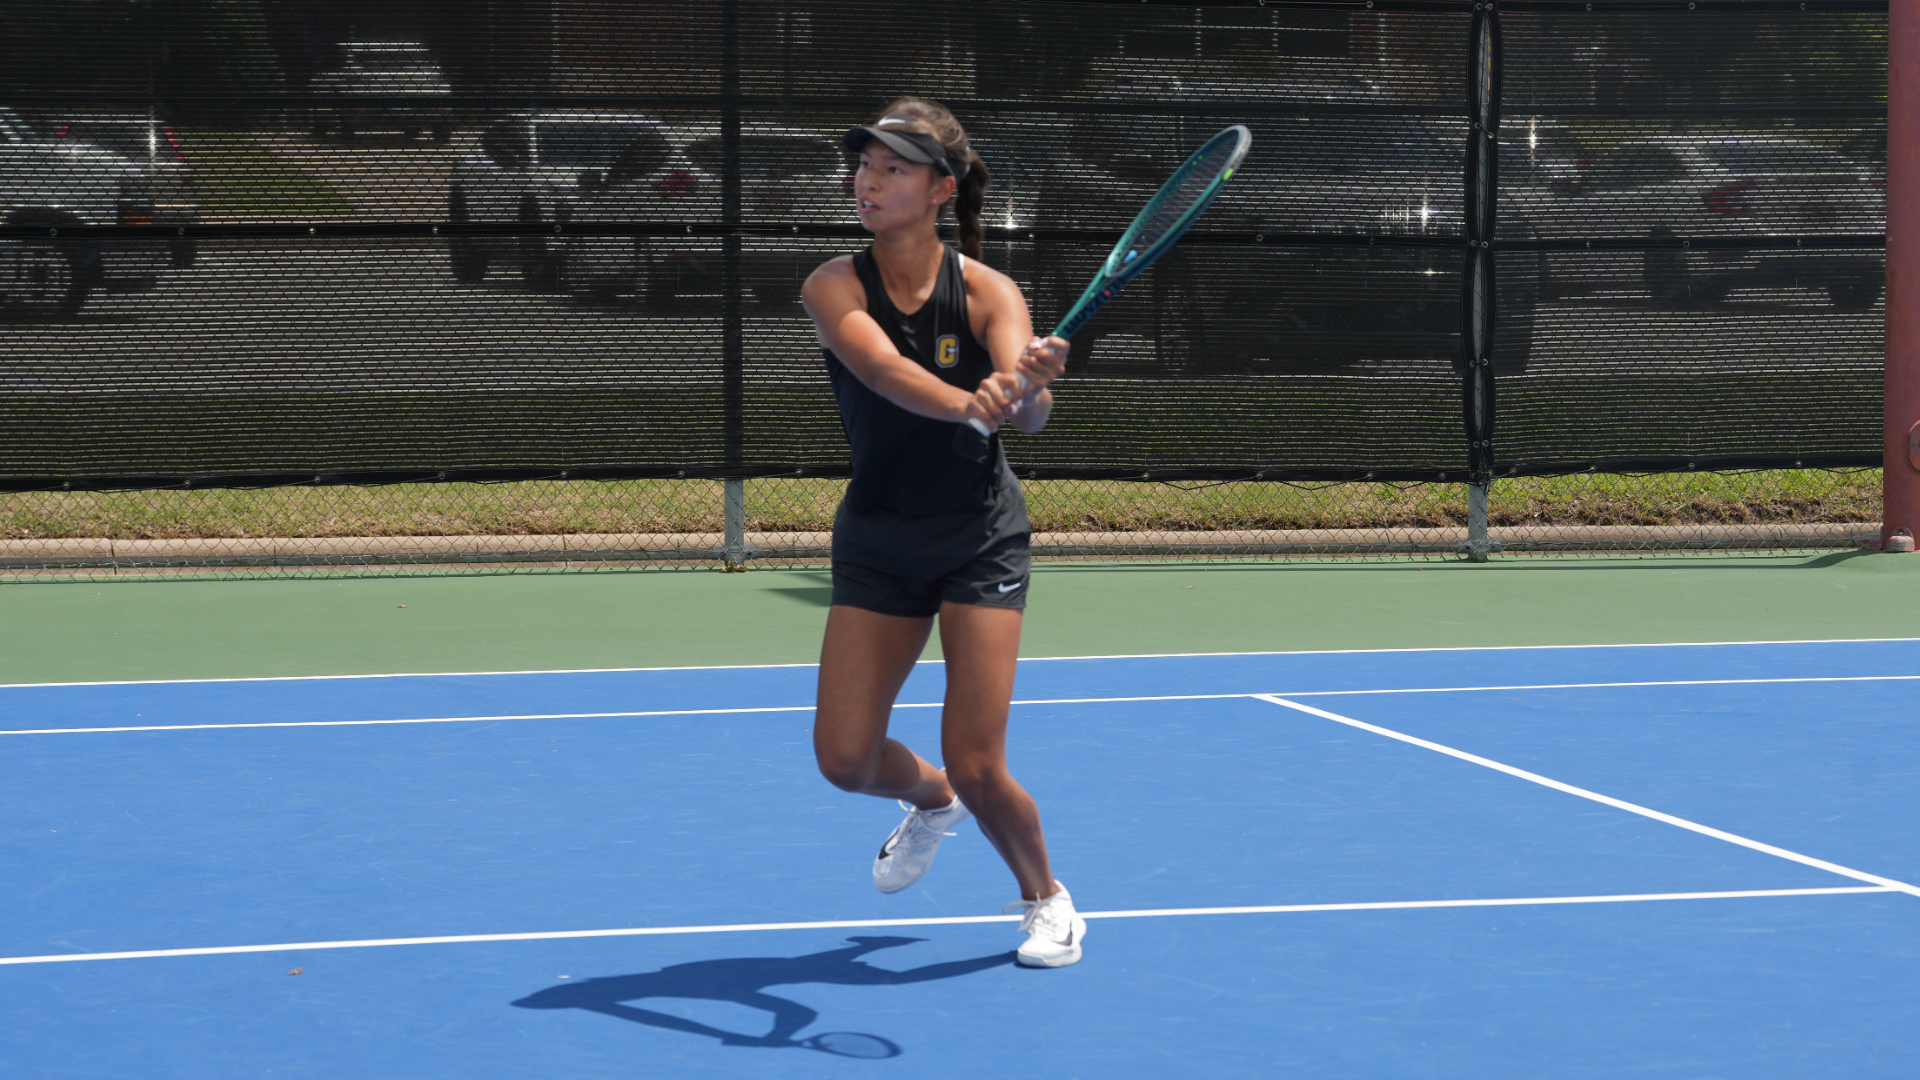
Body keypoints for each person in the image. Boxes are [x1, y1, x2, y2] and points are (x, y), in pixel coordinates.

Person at [801, 98, 1079, 968]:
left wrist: (1029, 387)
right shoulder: (832, 284)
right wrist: (972, 402)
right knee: (845, 758)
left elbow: (1027, 415)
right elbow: (881, 371)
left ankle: (1048, 900)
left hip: (976, 538)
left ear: (940, 189)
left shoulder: (991, 290)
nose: (869, 180)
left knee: (981, 755)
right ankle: (932, 800)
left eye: (892, 168)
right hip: (880, 534)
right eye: (865, 165)